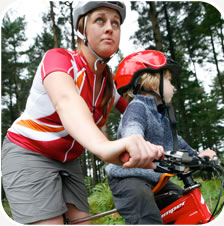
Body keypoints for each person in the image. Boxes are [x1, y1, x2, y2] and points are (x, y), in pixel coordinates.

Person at [1, 3, 164, 225]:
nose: (109, 28)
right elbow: (67, 102)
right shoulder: (60, 60)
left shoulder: (108, 85)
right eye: (100, 20)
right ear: (82, 29)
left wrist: (173, 147)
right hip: (29, 150)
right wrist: (105, 147)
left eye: (115, 23)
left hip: (69, 160)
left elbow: (138, 115)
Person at [106, 50, 216, 224]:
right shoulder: (137, 107)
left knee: (183, 202)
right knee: (147, 217)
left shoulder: (162, 118)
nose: (173, 87)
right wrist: (137, 143)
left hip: (156, 180)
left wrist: (198, 157)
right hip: (129, 178)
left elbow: (177, 144)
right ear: (153, 85)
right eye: (169, 81)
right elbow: (132, 128)